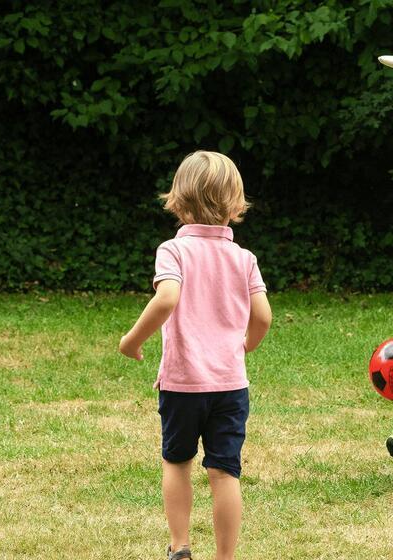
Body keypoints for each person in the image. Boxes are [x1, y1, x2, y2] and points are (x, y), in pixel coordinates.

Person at [118, 150, 272, 560]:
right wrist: (245, 346)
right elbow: (263, 316)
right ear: (236, 204)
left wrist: (132, 340)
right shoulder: (244, 259)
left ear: (178, 200)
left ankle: (180, 547)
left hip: (184, 383)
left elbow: (166, 298)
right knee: (224, 473)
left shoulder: (174, 251)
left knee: (177, 462)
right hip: (230, 385)